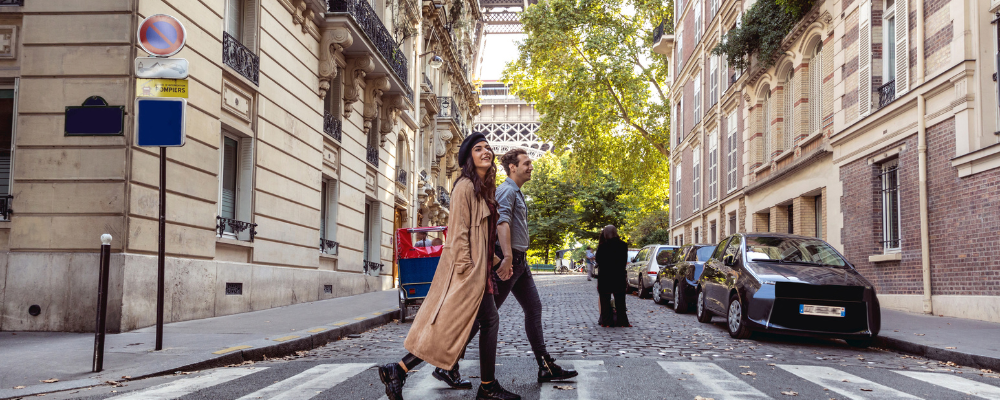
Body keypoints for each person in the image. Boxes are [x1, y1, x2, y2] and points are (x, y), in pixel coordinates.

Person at [378, 133, 521, 400]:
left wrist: (497, 262)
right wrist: (469, 271)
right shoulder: (465, 187)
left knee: (455, 326)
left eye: (488, 148)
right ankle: (487, 386)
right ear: (469, 157)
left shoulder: (482, 189)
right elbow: (458, 234)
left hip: (479, 270)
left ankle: (398, 370)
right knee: (479, 322)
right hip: (467, 273)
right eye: (478, 149)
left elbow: (482, 239)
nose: (486, 151)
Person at [436, 148, 577, 389]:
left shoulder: (516, 192)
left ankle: (545, 365)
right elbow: (500, 223)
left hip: (519, 262)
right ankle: (447, 364)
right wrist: (507, 258)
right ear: (513, 167)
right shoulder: (505, 190)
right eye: (527, 163)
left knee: (533, 308)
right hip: (507, 262)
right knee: (485, 318)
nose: (531, 167)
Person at [596, 225, 630, 327]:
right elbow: (624, 261)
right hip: (618, 276)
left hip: (605, 277)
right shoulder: (623, 245)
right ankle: (622, 321)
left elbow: (598, 260)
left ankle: (606, 321)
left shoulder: (602, 246)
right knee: (620, 300)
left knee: (605, 299)